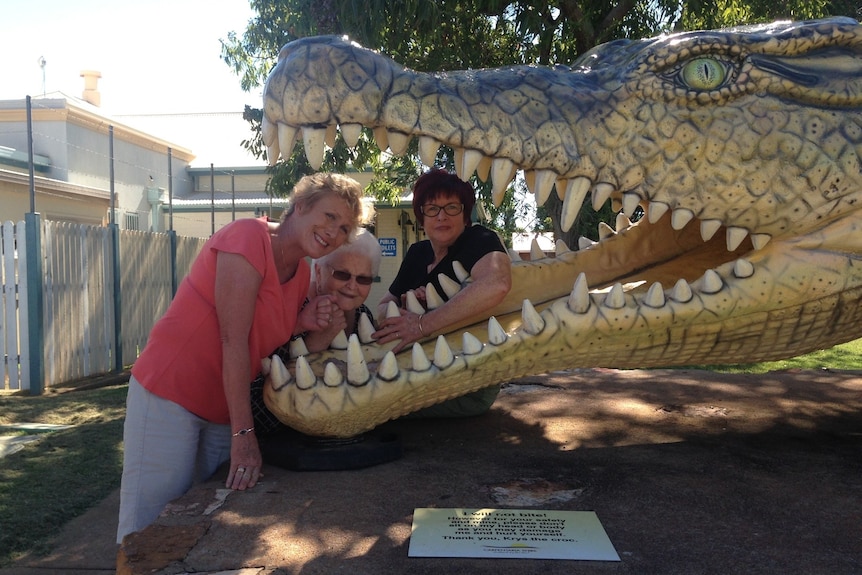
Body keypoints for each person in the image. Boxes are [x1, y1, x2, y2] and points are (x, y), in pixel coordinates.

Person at [117, 173, 372, 543]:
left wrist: (304, 323)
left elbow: (266, 339)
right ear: (299, 206)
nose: (333, 231)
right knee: (148, 521)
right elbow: (232, 339)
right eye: (329, 216)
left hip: (221, 408)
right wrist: (244, 435)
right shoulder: (247, 237)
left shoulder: (300, 272)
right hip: (169, 394)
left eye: (344, 227)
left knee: (196, 519)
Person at [373, 168, 512, 417]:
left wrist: (423, 324)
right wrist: (404, 308)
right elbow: (382, 309)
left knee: (373, 404)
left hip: (470, 377)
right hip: (415, 365)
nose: (441, 217)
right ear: (422, 216)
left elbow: (496, 284)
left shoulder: (479, 239)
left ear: (465, 213)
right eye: (432, 208)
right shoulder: (417, 253)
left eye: (451, 207)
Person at [250, 228, 383, 436]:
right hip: (283, 445)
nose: (352, 286)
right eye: (342, 274)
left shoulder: (362, 317)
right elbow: (256, 404)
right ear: (318, 272)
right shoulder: (288, 310)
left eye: (364, 279)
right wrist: (317, 342)